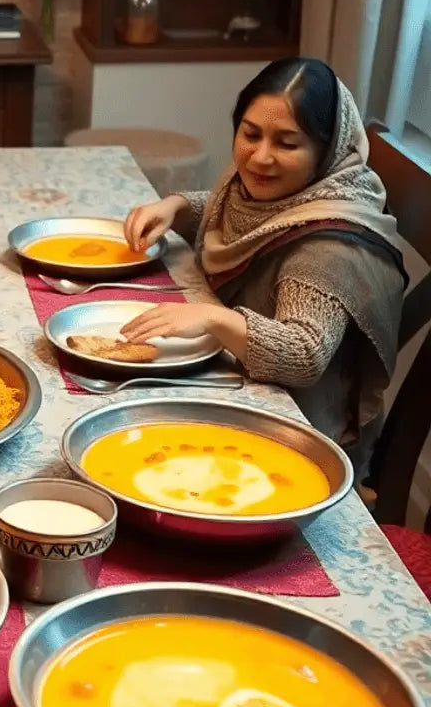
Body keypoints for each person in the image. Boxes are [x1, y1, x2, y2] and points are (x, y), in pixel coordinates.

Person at [120, 57, 406, 473]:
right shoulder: (277, 193)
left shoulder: (326, 246)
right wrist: (177, 206)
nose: (260, 158)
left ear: (327, 150)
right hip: (239, 385)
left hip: (295, 437)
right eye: (250, 134)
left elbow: (304, 354)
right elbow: (237, 218)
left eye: (287, 143)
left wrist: (214, 319)